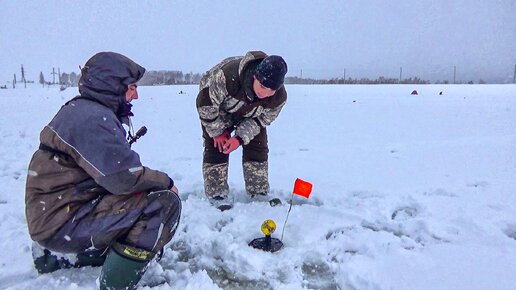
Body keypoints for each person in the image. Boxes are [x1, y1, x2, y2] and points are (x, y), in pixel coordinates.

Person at [25, 52, 182, 290]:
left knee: (135, 204)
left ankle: (56, 257)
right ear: (111, 86)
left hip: (56, 215)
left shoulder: (84, 111)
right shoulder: (92, 119)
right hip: (60, 221)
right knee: (162, 204)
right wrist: (166, 181)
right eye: (131, 87)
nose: (136, 95)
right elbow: (124, 178)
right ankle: (116, 284)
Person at [196, 51, 287, 210]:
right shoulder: (225, 78)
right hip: (218, 110)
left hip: (251, 115)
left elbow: (262, 120)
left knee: (257, 145)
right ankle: (216, 193)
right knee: (217, 146)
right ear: (255, 77)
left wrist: (238, 138)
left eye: (271, 90)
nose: (264, 93)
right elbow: (205, 106)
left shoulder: (279, 98)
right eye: (262, 86)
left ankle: (258, 191)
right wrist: (217, 132)